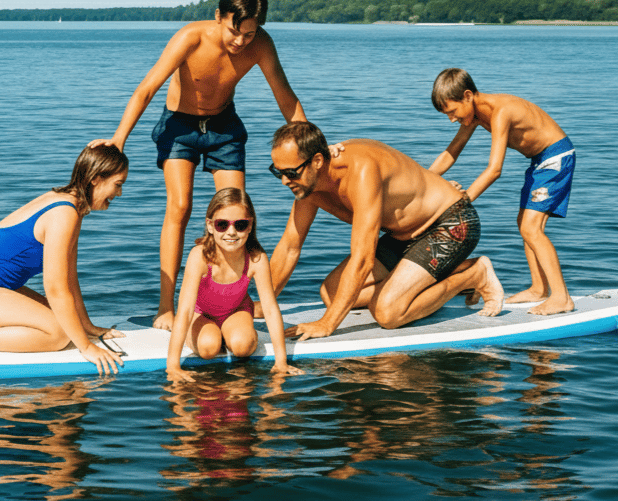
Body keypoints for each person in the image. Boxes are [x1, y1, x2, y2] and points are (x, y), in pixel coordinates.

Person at [91, 0, 306, 331]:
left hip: (223, 128)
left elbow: (285, 96)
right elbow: (147, 89)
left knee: (237, 211)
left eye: (250, 35)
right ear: (219, 15)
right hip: (180, 127)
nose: (241, 42)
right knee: (180, 207)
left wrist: (313, 147)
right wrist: (119, 139)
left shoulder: (261, 45)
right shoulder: (190, 38)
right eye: (235, 31)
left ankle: (234, 302)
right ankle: (166, 306)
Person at [264, 121, 503, 340]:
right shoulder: (308, 186)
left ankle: (474, 275)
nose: (285, 181)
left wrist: (327, 324)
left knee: (387, 313)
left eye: (290, 173)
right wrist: (264, 303)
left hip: (450, 224)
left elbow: (362, 260)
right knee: (331, 293)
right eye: (278, 173)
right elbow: (289, 247)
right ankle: (419, 284)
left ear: (317, 161)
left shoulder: (361, 171)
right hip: (403, 236)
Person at [0, 145, 129, 375]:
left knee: (67, 322)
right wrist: (86, 347)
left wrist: (88, 328)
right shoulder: (64, 213)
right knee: (59, 335)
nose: (119, 194)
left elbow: (70, 279)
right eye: (118, 184)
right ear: (96, 178)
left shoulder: (66, 203)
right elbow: (55, 288)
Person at [429, 67, 576, 315]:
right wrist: (426, 179)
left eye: (452, 111)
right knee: (525, 225)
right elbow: (452, 151)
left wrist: (463, 200)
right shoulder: (474, 115)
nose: (451, 119)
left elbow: (495, 169)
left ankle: (561, 297)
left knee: (531, 227)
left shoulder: (501, 112)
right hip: (539, 161)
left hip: (555, 156)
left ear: (467, 96)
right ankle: (539, 288)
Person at [166, 188, 303, 381]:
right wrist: (172, 365)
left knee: (243, 346)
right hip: (201, 313)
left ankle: (232, 333)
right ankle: (216, 334)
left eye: (240, 225)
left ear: (250, 226)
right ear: (210, 225)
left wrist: (281, 362)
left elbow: (270, 310)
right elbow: (185, 310)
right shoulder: (199, 256)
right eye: (222, 224)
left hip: (235, 311)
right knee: (208, 347)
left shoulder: (256, 258)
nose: (231, 232)